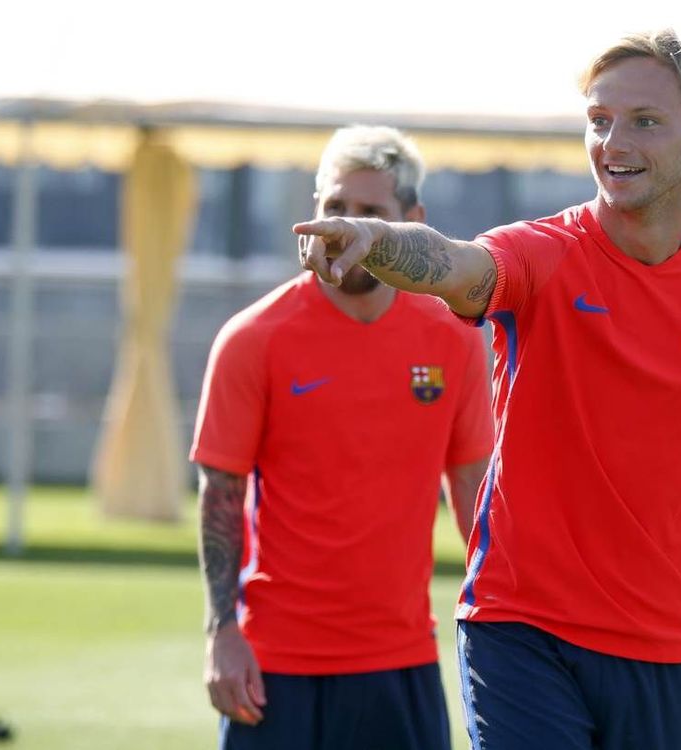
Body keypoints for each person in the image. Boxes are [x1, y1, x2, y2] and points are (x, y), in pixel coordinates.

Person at [295, 29, 681, 750]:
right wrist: (379, 240)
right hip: (518, 633)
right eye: (599, 119)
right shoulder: (540, 254)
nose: (614, 141)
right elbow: (454, 263)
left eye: (645, 121)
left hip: (661, 649)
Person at [192, 124, 493, 750]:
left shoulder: (454, 338)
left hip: (400, 659)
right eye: (335, 209)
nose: (346, 230)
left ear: (411, 221)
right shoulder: (254, 339)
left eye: (370, 214)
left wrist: (506, 620)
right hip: (277, 665)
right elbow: (221, 491)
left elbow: (471, 488)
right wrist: (221, 632)